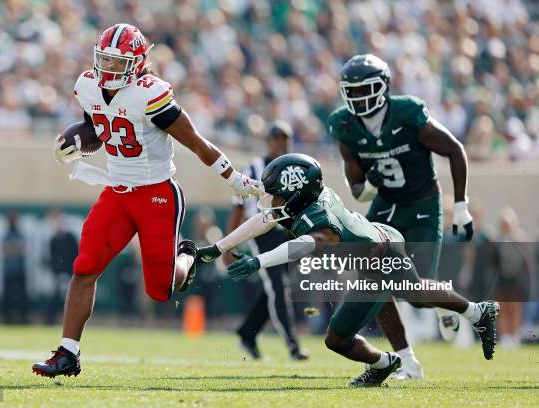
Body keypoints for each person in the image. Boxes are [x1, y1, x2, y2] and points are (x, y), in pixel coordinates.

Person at [32, 23, 263, 378]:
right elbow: (98, 127)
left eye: (116, 62)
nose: (107, 70)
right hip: (118, 192)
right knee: (84, 267)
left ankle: (187, 255)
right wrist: (77, 143)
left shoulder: (150, 95)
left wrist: (234, 177)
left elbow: (197, 142)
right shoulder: (89, 85)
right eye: (104, 60)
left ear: (137, 64)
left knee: (161, 290)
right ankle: (68, 352)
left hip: (157, 194)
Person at [196, 153, 499, 387]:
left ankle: (387, 362)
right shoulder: (305, 199)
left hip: (379, 258)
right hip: (378, 242)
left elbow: (304, 244)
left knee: (338, 338)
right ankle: (454, 328)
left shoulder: (318, 218)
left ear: (297, 194)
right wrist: (218, 247)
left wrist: (258, 261)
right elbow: (264, 220)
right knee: (407, 295)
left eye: (278, 194)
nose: (272, 201)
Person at [329, 54, 474, 379]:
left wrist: (461, 205)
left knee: (418, 293)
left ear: (383, 87)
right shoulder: (344, 124)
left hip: (423, 204)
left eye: (365, 89)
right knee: (375, 282)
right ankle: (408, 361)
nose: (358, 98)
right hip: (384, 206)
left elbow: (455, 149)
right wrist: (364, 189)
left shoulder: (407, 112)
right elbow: (355, 182)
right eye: (351, 91)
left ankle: (443, 302)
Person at [224, 121, 307, 360]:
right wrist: (228, 244)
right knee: (278, 287)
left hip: (289, 231)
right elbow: (238, 206)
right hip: (263, 231)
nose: (281, 143)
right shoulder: (253, 168)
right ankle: (293, 346)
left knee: (275, 288)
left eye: (285, 139)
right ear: (268, 141)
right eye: (277, 139)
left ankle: (247, 334)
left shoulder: (296, 167)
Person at [45, 209, 78, 325]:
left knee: (72, 300)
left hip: (70, 274)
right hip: (59, 275)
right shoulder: (53, 240)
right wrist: (58, 273)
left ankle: (73, 322)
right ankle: (51, 321)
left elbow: (75, 255)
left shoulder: (70, 237)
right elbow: (53, 259)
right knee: (56, 299)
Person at [1, 211, 29, 324]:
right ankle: (7, 319)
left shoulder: (19, 234)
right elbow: (5, 251)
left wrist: (12, 249)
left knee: (22, 298)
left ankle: (23, 319)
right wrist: (14, 249)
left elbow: (21, 249)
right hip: (8, 271)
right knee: (7, 298)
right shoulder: (7, 235)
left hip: (19, 270)